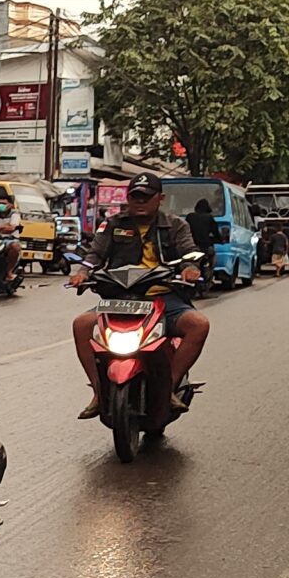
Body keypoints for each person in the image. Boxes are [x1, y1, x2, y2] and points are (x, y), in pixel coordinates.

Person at [68, 172, 208, 419]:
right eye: (135, 197)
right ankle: (99, 393)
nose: (140, 202)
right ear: (128, 199)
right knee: (81, 325)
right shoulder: (112, 224)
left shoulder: (176, 225)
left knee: (199, 325)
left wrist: (190, 269)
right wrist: (81, 273)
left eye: (146, 197)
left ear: (160, 198)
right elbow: (94, 255)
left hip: (164, 299)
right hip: (120, 299)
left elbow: (190, 253)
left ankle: (169, 389)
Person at [186, 197, 222, 264]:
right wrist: (220, 240)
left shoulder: (190, 217)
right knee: (212, 256)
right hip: (206, 247)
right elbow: (215, 233)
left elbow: (186, 231)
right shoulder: (209, 218)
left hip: (191, 246)